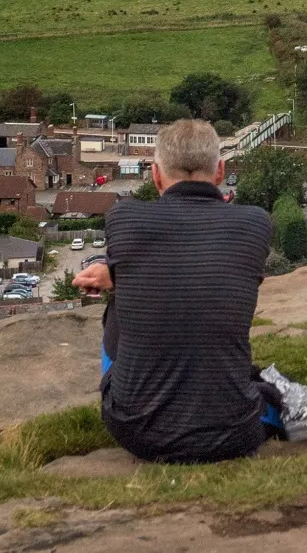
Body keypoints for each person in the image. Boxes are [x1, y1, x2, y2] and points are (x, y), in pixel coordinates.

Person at [73, 119, 274, 463]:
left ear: (155, 175)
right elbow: (207, 268)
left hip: (136, 431)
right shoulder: (254, 223)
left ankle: (129, 391)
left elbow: (169, 257)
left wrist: (118, 278)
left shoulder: (123, 217)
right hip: (236, 431)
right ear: (220, 172)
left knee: (120, 305)